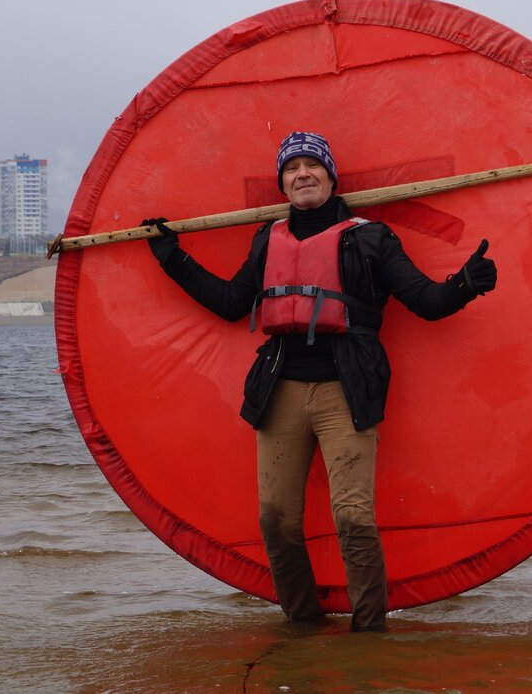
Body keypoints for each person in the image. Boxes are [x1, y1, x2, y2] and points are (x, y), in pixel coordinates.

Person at [140, 131, 497, 630]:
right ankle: (303, 629)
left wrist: (464, 285)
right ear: (282, 183)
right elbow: (229, 303)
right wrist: (171, 257)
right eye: (291, 167)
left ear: (331, 176)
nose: (302, 173)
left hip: (345, 391)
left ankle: (368, 634)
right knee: (276, 521)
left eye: (312, 164)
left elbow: (426, 302)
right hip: (280, 388)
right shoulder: (267, 239)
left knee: (353, 518)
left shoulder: (371, 237)